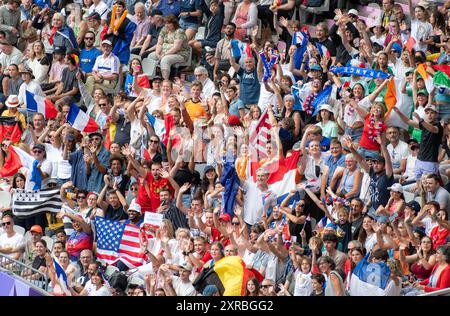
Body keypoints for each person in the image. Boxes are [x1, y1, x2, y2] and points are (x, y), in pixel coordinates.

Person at [147, 14, 189, 80]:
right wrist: (158, 53)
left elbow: (176, 47)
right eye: (165, 23)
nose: (166, 25)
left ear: (174, 23)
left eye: (168, 23)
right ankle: (151, 79)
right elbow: (159, 44)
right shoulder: (164, 30)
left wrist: (164, 54)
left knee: (165, 59)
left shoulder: (179, 31)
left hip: (180, 54)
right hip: (164, 52)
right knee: (151, 56)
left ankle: (165, 80)